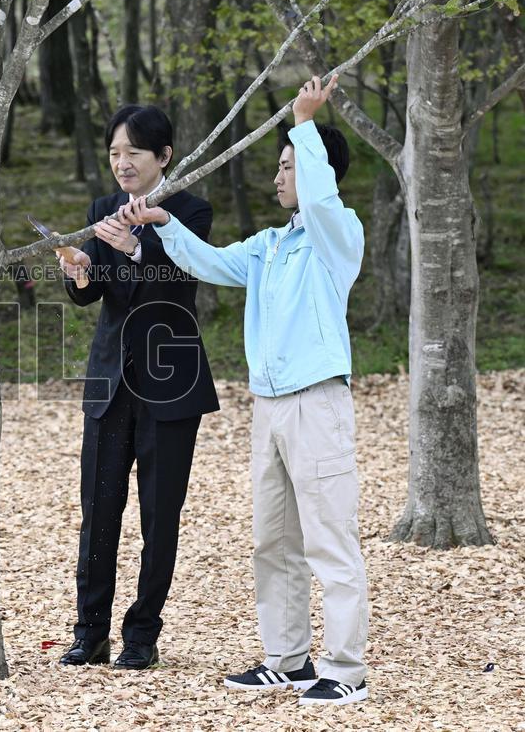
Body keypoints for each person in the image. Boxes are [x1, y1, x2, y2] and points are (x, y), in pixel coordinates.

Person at [120, 76, 369, 704]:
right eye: (280, 166)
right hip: (271, 403)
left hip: (318, 402)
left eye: (288, 167)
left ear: (316, 172)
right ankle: (288, 659)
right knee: (273, 539)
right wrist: (163, 223)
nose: (278, 177)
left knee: (328, 538)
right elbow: (210, 262)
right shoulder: (269, 245)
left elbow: (318, 201)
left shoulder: (337, 235)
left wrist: (305, 124)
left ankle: (347, 670)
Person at [57, 105, 219, 670]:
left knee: (159, 513)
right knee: (99, 510)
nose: (122, 164)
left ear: (164, 157)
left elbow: (178, 286)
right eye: (114, 154)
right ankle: (90, 631)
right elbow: (95, 292)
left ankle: (142, 635)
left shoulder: (192, 213)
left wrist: (135, 248)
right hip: (110, 381)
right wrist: (80, 269)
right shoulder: (103, 209)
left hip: (171, 381)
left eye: (134, 153)